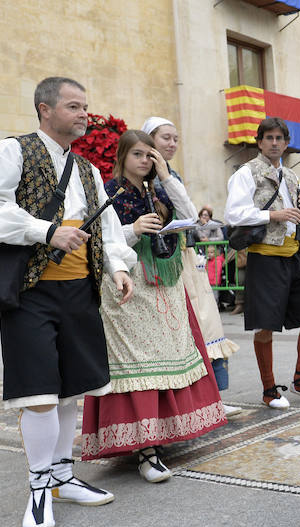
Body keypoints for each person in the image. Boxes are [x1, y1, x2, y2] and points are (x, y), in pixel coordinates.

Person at [0, 77, 136, 527]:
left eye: (86, 107)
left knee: (70, 389)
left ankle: (62, 475)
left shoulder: (86, 169)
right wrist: (45, 230)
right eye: (74, 106)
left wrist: (118, 266)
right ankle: (39, 486)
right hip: (31, 290)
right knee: (39, 393)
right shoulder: (11, 153)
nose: (84, 114)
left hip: (80, 289)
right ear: (45, 109)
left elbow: (109, 227)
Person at [80, 130, 227, 482]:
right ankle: (146, 447)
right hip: (128, 285)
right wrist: (133, 228)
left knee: (168, 361)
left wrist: (166, 176)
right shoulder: (110, 190)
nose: (145, 161)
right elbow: (101, 240)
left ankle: (162, 436)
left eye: (151, 155)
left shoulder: (160, 189)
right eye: (139, 155)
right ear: (122, 157)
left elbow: (192, 218)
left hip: (165, 285)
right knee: (137, 364)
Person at [141, 117, 242, 416]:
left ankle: (214, 396)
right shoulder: (140, 177)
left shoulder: (172, 174)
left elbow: (189, 214)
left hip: (183, 257)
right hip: (157, 263)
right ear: (149, 141)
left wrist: (168, 177)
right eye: (165, 138)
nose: (172, 144)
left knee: (207, 324)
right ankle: (180, 401)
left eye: (175, 138)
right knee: (179, 330)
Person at [225, 117, 300, 408]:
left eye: (279, 138)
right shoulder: (246, 173)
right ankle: (269, 389)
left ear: (285, 143)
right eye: (268, 138)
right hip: (265, 257)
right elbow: (234, 214)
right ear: (259, 142)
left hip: (295, 255)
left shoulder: (293, 177)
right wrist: (273, 215)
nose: (274, 143)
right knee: (265, 326)